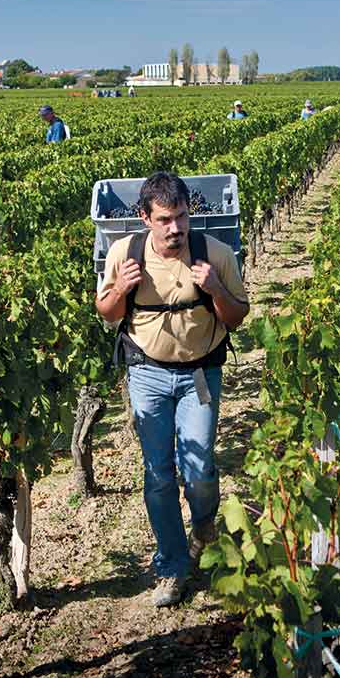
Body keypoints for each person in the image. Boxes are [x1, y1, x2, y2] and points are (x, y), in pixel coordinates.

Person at [96, 172, 249, 608]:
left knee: (199, 467)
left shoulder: (215, 254)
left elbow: (237, 317)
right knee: (158, 474)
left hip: (200, 373)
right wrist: (123, 288)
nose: (175, 228)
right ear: (144, 218)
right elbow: (107, 313)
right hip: (147, 374)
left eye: (181, 217)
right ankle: (172, 567)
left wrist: (216, 288)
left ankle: (203, 524)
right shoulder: (125, 253)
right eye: (164, 219)